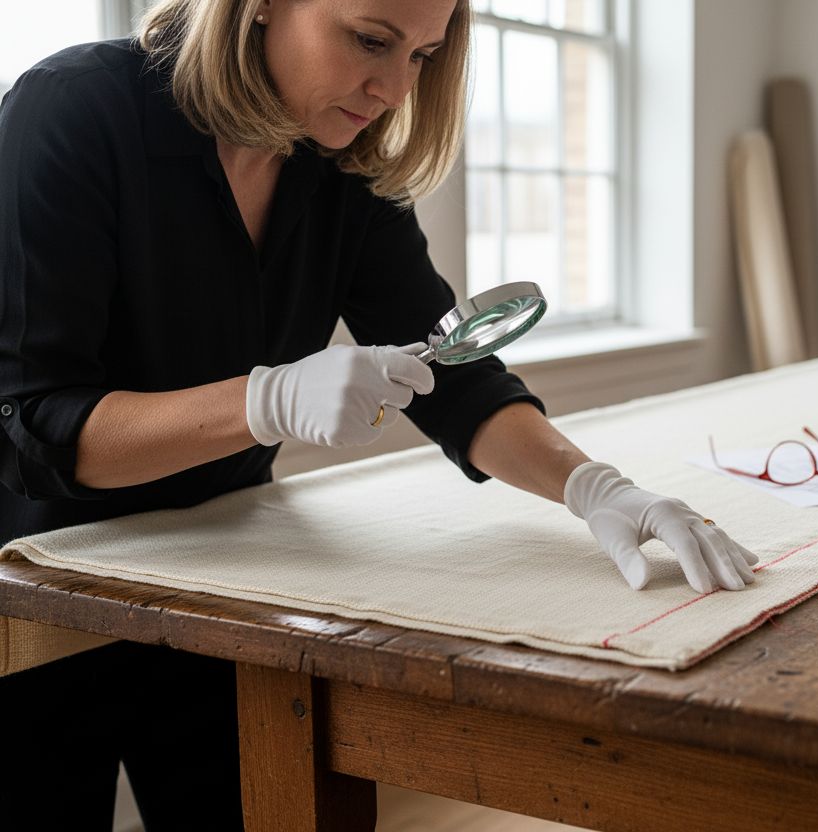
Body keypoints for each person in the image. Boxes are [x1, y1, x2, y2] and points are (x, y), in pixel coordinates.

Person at [0, 0, 757, 827]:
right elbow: (33, 425)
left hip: (216, 575)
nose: (395, 89)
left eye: (424, 57)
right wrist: (264, 398)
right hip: (34, 583)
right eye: (370, 40)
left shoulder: (340, 162)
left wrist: (597, 489)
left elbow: (455, 375)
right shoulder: (73, 110)